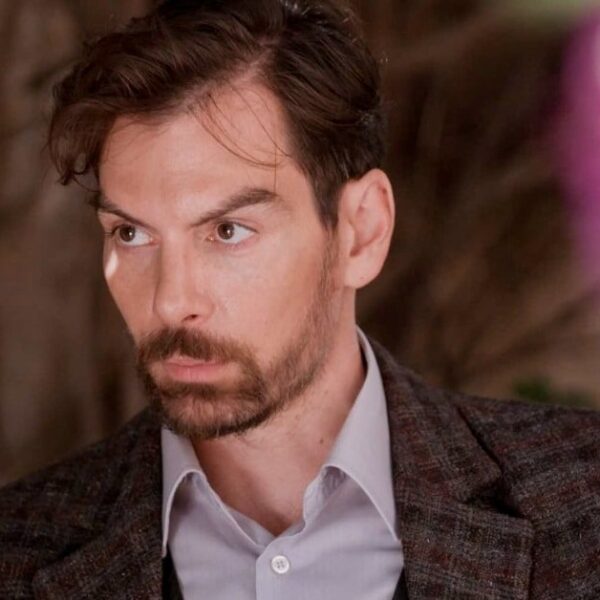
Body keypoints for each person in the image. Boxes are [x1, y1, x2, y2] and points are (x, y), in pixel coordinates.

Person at [1, 0, 599, 598]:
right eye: (131, 234)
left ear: (360, 232)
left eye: (228, 230)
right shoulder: (18, 549)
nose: (170, 302)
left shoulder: (584, 502)